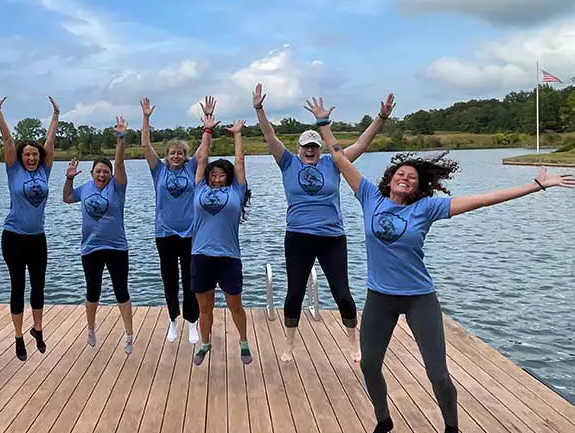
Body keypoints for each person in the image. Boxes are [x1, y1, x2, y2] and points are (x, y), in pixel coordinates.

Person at [305, 96, 575, 433]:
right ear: (391, 181)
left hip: (419, 297)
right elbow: (340, 158)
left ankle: (451, 425)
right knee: (370, 364)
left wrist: (536, 185)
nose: (405, 178)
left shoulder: (427, 207)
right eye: (401, 173)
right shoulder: (370, 196)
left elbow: (485, 198)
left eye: (412, 177)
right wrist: (324, 123)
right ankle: (383, 418)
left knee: (438, 373)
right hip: (380, 297)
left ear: (418, 188)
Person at [252, 83, 395, 363]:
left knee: (342, 292)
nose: (310, 150)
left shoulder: (333, 163)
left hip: (332, 237)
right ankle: (290, 344)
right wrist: (259, 108)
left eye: (314, 146)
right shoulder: (287, 163)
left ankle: (354, 344)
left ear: (320, 148)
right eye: (305, 146)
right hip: (298, 237)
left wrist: (381, 118)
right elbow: (269, 134)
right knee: (294, 292)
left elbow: (363, 144)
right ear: (298, 148)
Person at [0, 91, 60, 361]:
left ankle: (37, 329)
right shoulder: (13, 170)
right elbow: (7, 139)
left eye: (34, 155)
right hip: (14, 237)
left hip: (37, 238)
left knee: (38, 286)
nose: (31, 158)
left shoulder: (45, 170)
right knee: (18, 286)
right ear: (21, 157)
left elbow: (50, 141)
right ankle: (18, 335)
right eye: (26, 154)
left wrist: (55, 115)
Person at [139, 96, 215, 344]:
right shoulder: (158, 170)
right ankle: (172, 319)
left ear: (184, 156)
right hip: (164, 234)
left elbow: (204, 155)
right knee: (169, 279)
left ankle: (192, 322)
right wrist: (146, 118)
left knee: (190, 280)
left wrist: (207, 127)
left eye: (180, 153)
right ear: (167, 155)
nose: (176, 156)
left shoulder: (192, 168)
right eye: (172, 153)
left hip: (190, 233)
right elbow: (145, 146)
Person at [63, 116, 135, 354]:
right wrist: (69, 177)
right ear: (92, 173)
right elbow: (66, 197)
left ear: (111, 175)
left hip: (116, 247)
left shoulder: (118, 186)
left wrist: (120, 139)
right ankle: (91, 328)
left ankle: (128, 333)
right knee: (92, 290)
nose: (102, 175)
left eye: (106, 172)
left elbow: (120, 163)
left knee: (120, 290)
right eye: (98, 171)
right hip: (91, 248)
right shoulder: (85, 188)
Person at [190, 113, 254, 366]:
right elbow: (202, 158)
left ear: (228, 177)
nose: (217, 179)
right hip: (201, 255)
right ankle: (205, 343)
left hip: (229, 257)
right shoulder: (199, 188)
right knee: (205, 309)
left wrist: (237, 134)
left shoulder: (236, 191)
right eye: (213, 175)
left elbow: (239, 161)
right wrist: (207, 131)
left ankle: (244, 342)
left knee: (235, 305)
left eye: (221, 175)